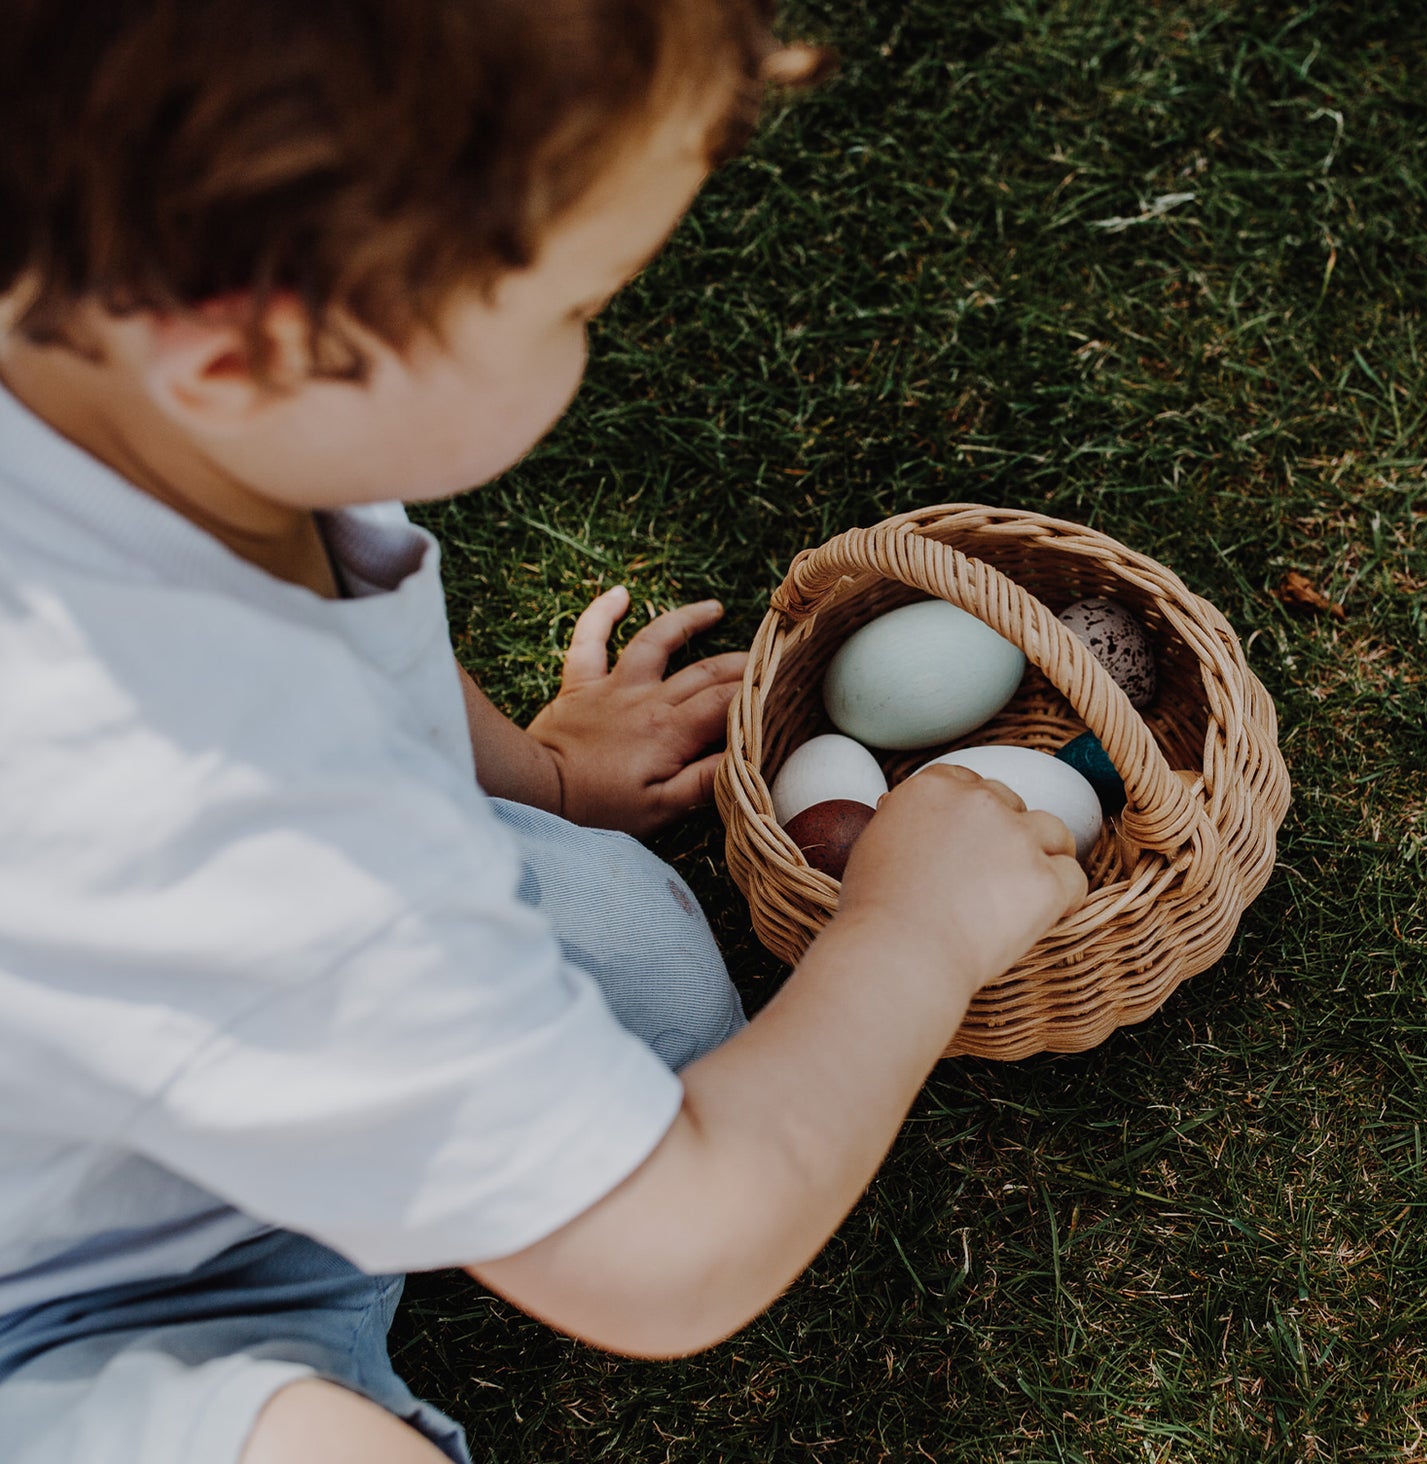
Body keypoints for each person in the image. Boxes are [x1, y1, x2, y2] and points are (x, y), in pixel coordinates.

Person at [0, 2, 1089, 1460]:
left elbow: (331, 625)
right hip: (65, 1315)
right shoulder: (231, 818)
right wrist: (914, 931)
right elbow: (668, 1254)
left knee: (648, 959)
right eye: (575, 305)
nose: (593, 335)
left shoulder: (135, 389)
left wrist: (547, 776)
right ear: (249, 353)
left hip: (98, 1105)